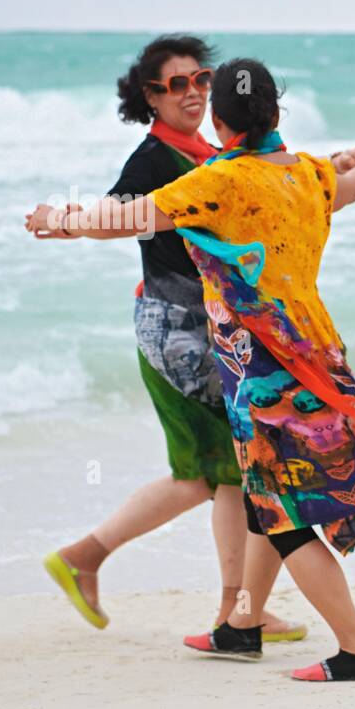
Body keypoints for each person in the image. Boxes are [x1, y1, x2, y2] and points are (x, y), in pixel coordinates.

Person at [26, 58, 355, 683]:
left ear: (219, 122)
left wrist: (55, 221)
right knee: (262, 502)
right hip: (318, 355)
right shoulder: (308, 174)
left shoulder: (216, 182)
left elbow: (126, 217)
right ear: (277, 114)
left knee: (283, 520)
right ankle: (240, 626)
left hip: (262, 373)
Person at [39, 35, 302, 643]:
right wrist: (65, 224)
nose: (192, 92)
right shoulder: (154, 159)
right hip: (177, 332)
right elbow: (115, 214)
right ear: (149, 96)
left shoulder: (208, 152)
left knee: (222, 475)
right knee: (222, 474)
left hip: (207, 329)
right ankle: (228, 608)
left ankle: (231, 609)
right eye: (175, 84)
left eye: (201, 79)